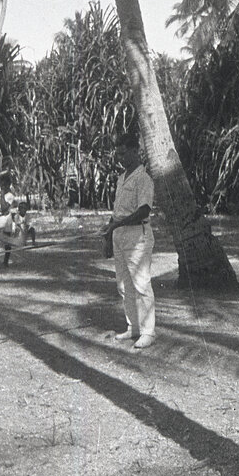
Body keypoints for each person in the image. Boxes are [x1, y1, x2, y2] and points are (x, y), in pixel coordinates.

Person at [103, 132, 156, 350]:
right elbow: (117, 212)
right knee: (124, 285)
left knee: (141, 284)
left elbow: (144, 210)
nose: (120, 158)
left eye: (124, 153)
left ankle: (148, 332)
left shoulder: (143, 178)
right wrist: (109, 233)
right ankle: (133, 326)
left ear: (135, 151)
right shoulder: (122, 178)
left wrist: (117, 224)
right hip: (119, 235)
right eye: (118, 154)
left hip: (137, 235)